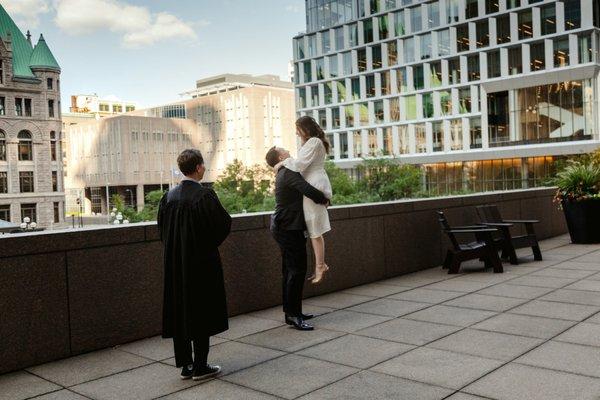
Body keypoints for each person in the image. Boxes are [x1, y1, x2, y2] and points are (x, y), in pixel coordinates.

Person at [157, 149, 232, 381]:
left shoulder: (168, 197)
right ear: (198, 167)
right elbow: (222, 225)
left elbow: (162, 230)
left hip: (175, 264)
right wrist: (206, 246)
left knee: (181, 311)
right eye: (203, 165)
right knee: (201, 310)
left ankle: (185, 366)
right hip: (201, 264)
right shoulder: (204, 195)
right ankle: (200, 365)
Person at [266, 146, 330, 331]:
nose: (288, 151)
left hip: (286, 226)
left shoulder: (284, 171)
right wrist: (324, 199)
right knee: (296, 270)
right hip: (287, 227)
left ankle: (293, 313)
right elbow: (306, 189)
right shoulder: (287, 171)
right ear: (280, 156)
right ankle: (294, 315)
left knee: (290, 271)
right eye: (284, 150)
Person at [276, 116, 333, 284]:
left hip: (314, 183)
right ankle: (320, 265)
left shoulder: (314, 142)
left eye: (297, 129)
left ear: (305, 128)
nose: (296, 132)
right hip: (313, 182)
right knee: (313, 227)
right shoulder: (313, 142)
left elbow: (299, 165)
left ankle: (320, 266)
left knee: (315, 228)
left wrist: (282, 162)